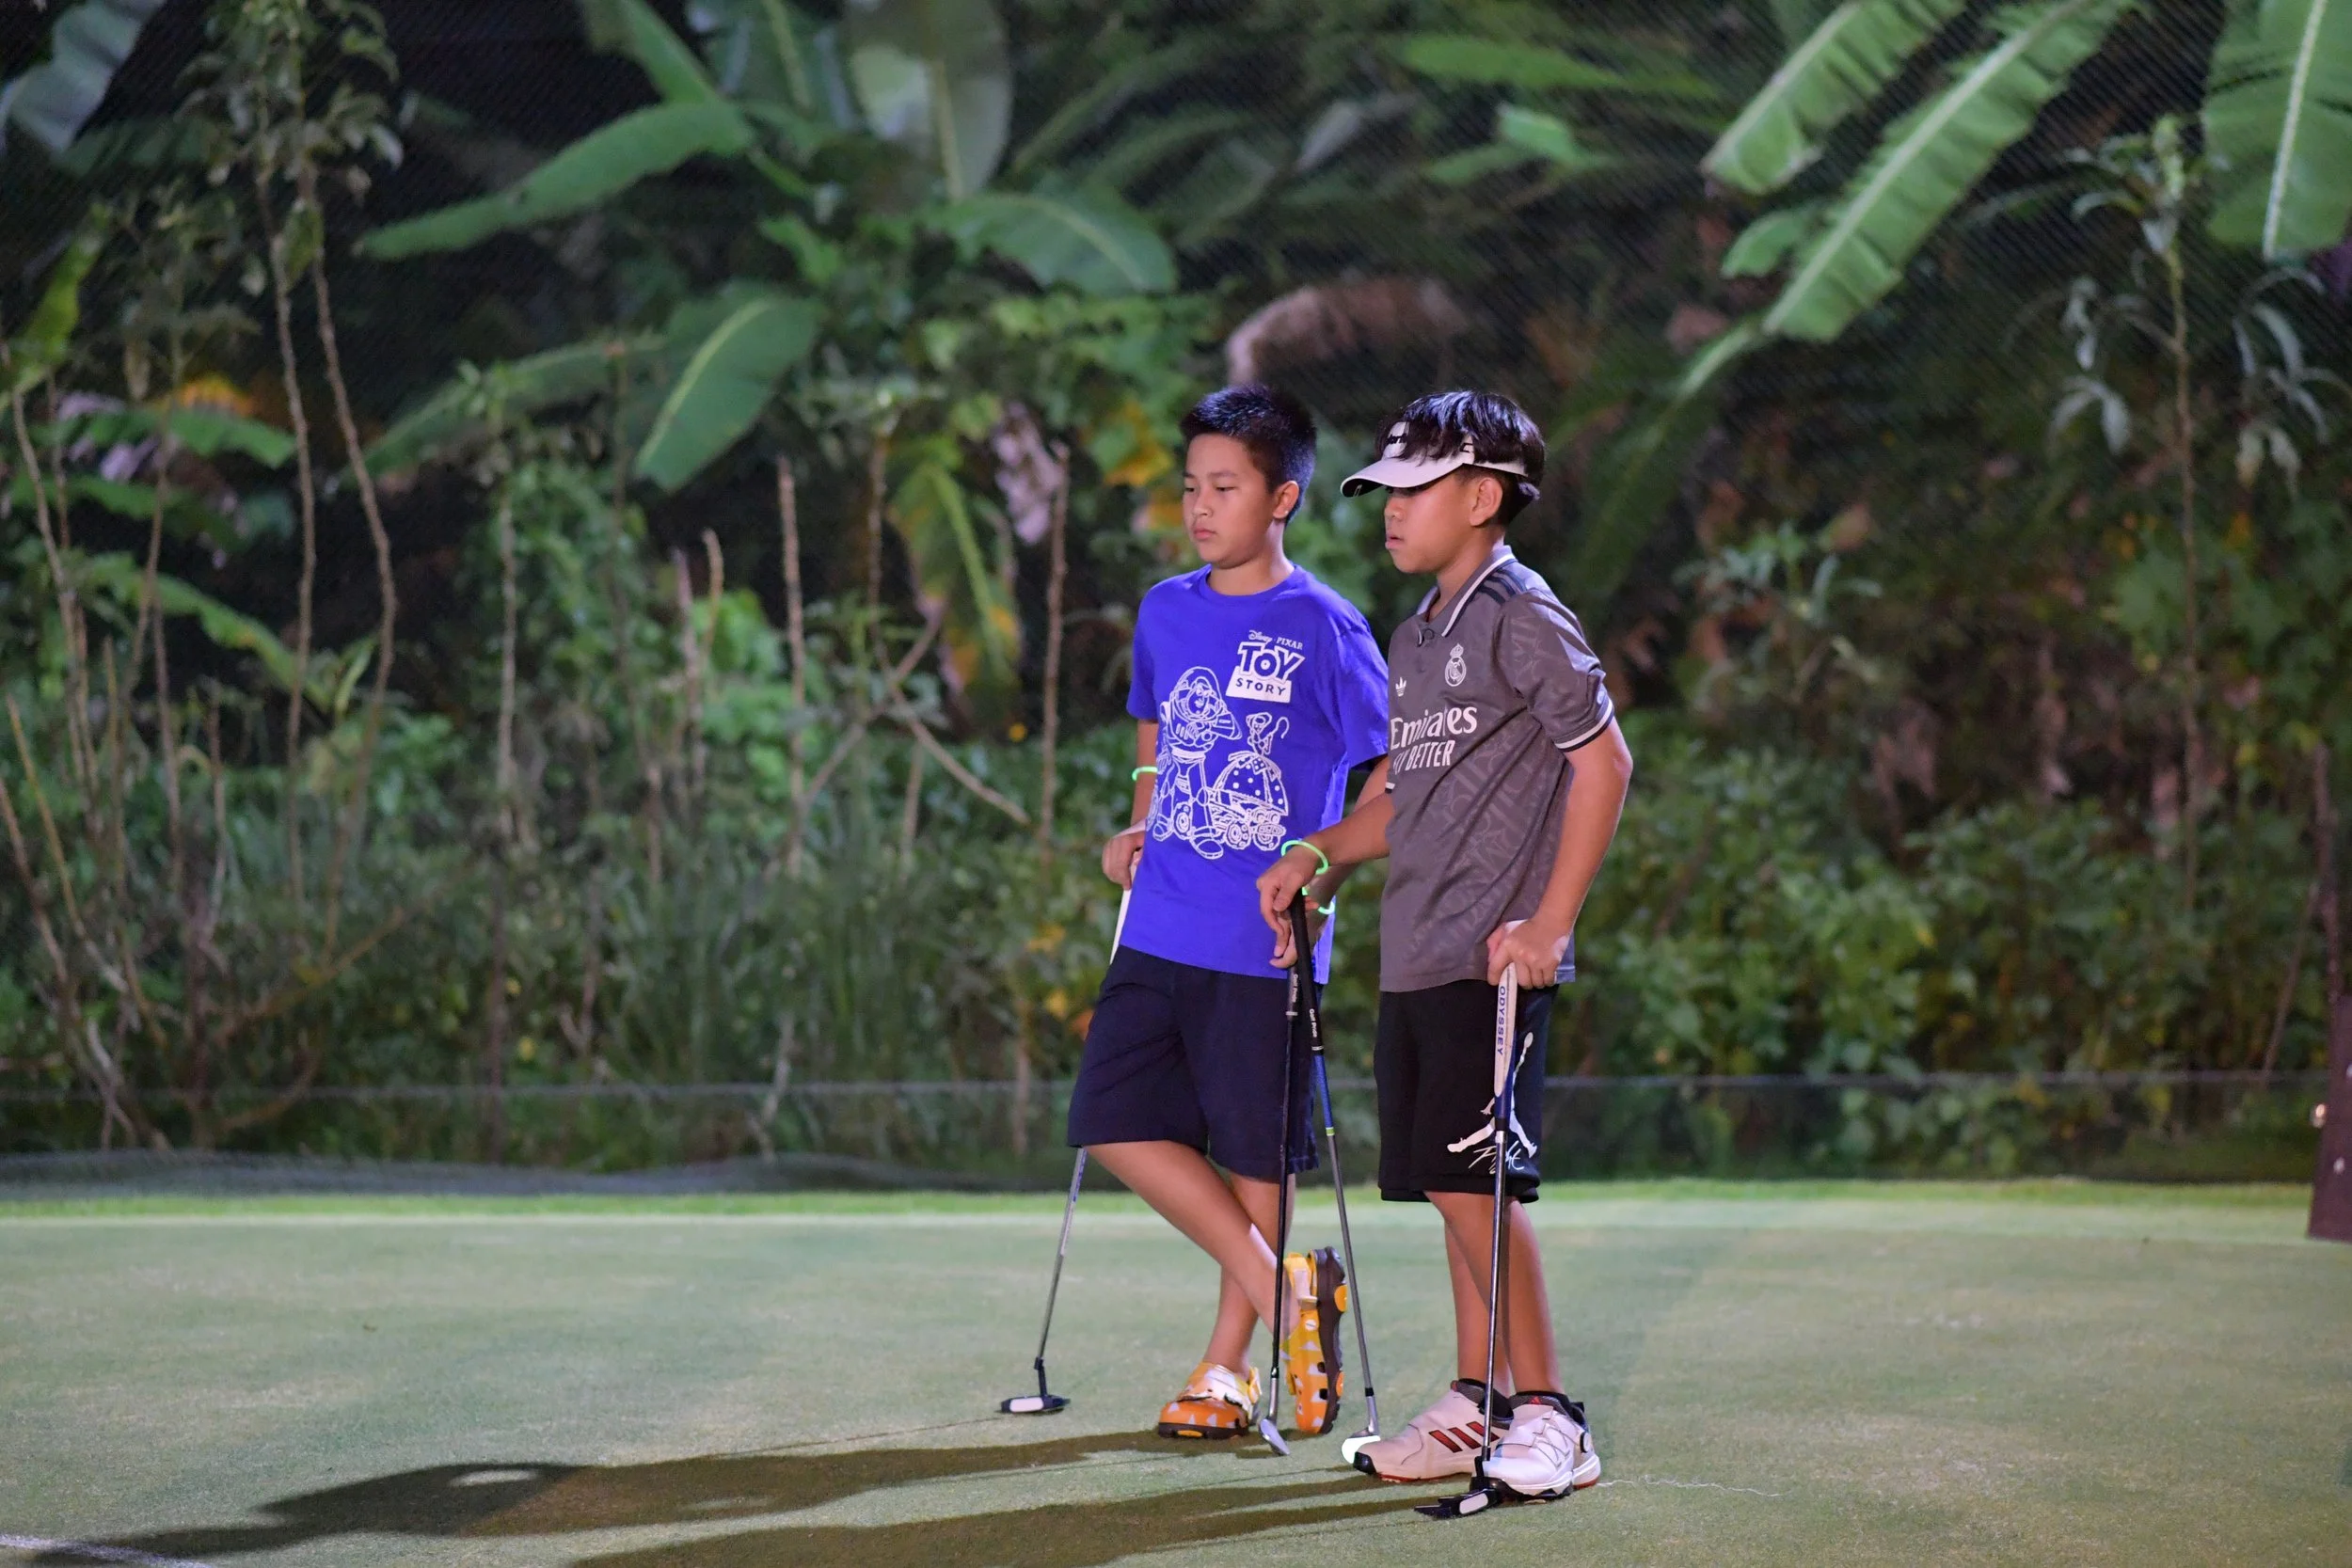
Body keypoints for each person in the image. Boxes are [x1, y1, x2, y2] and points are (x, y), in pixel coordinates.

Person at [1256, 390, 1634, 1498]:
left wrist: (1550, 922)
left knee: (1479, 1189)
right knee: (1448, 1189)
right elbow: (1399, 800)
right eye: (1380, 491)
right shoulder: (1418, 633)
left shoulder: (1522, 611)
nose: (1386, 510)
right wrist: (1315, 852)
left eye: (1411, 490)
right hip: (1416, 955)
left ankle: (1551, 1414)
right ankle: (1479, 1399)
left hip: (1491, 962)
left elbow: (1603, 765)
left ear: (1479, 496)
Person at [1069, 384, 1391, 1441]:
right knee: (1111, 1116)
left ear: (1282, 496)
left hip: (1264, 943)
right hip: (1159, 921)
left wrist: (1320, 872)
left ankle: (1228, 1364)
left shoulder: (1327, 625)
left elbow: (1391, 778)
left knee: (1256, 1154)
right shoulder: (1165, 608)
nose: (1200, 507)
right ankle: (1288, 1286)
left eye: (1225, 487)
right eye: (1190, 487)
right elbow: (1155, 734)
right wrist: (1136, 821)